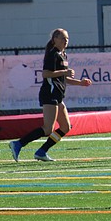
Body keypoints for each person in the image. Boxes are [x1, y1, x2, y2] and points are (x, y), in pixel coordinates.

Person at [9, 29, 93, 162]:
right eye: (62, 38)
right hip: (49, 94)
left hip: (58, 95)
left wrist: (80, 83)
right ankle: (18, 144)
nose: (66, 41)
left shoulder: (63, 54)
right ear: (55, 39)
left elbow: (62, 78)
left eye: (67, 39)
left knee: (65, 127)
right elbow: (46, 74)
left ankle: (42, 151)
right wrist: (64, 72)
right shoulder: (52, 54)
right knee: (48, 129)